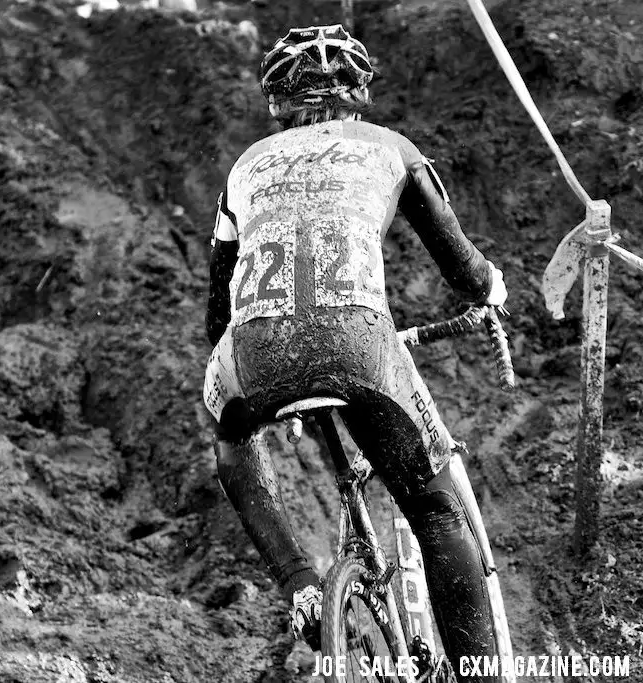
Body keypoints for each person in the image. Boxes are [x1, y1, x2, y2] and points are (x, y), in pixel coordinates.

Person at [202, 24, 508, 680]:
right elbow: (464, 270)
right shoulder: (392, 148)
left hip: (255, 355)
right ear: (360, 92)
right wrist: (491, 289)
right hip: (360, 345)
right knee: (432, 507)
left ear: (276, 102)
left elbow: (215, 315)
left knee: (229, 439)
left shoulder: (244, 168)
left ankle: (300, 584)